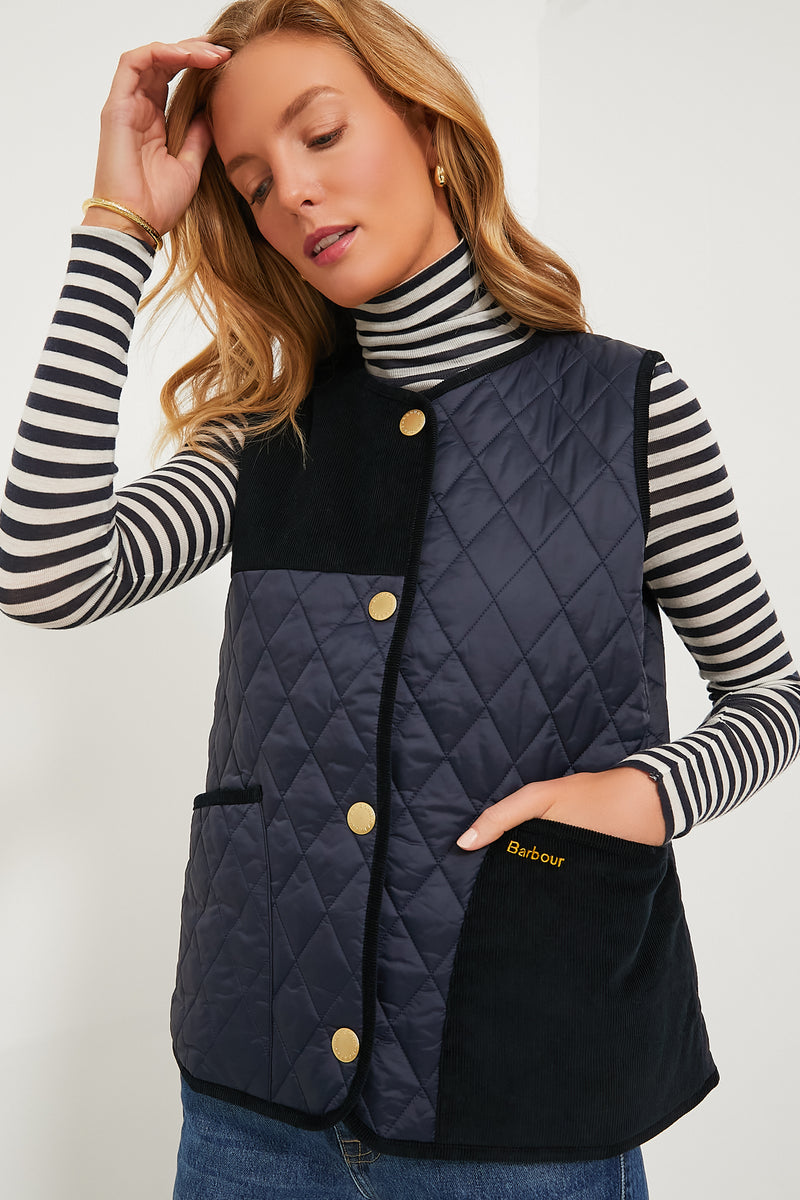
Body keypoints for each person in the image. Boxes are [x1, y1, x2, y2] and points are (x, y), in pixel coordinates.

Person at [1, 0, 798, 1196]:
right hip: (255, 1106)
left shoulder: (624, 411)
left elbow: (770, 696)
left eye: (321, 134)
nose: (293, 194)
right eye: (253, 183)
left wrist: (644, 793)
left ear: (428, 129)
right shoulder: (264, 437)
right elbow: (43, 568)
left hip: (526, 1093)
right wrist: (117, 230)